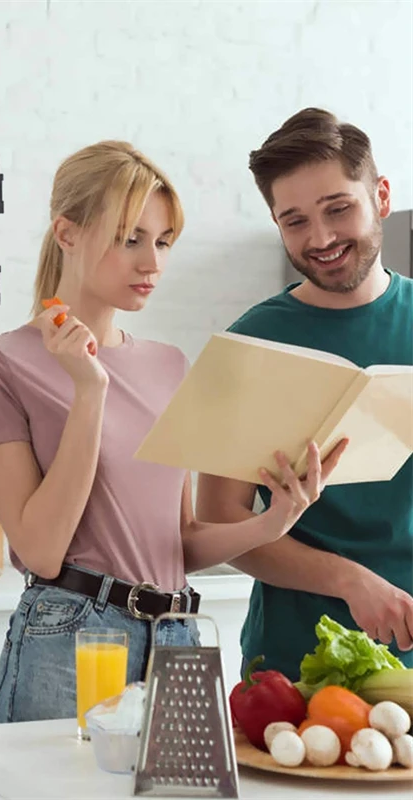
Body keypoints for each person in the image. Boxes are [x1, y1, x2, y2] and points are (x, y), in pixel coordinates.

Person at [0, 140, 346, 725]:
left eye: (163, 242)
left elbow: (178, 541)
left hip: (180, 638)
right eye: (129, 238)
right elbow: (39, 550)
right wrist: (89, 393)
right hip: (74, 635)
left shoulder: (168, 365)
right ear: (67, 233)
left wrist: (273, 521)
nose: (152, 263)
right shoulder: (0, 364)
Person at [196, 109, 413, 680]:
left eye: (338, 209)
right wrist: (348, 579)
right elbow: (219, 525)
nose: (320, 239)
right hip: (294, 668)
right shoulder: (249, 345)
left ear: (381, 196)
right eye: (294, 221)